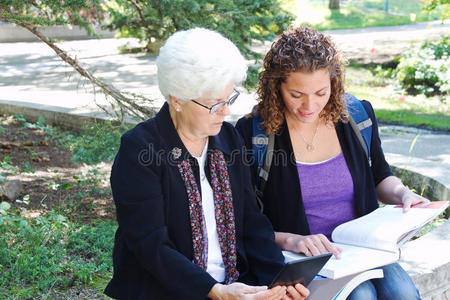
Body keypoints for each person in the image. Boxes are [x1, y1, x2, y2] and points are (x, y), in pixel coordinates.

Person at [104, 28, 310, 300]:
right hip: (166, 291)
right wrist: (214, 291)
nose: (226, 112)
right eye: (215, 105)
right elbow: (150, 245)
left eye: (229, 99)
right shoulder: (140, 150)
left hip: (236, 284)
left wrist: (279, 281)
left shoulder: (228, 138)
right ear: (177, 100)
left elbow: (250, 221)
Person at [236, 26, 428, 300]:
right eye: (296, 94)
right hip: (301, 257)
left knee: (404, 293)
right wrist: (292, 240)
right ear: (276, 86)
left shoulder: (356, 116)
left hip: (362, 250)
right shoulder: (254, 134)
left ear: (334, 83)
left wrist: (403, 194)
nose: (309, 106)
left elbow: (380, 177)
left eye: (320, 93)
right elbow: (245, 219)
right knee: (361, 296)